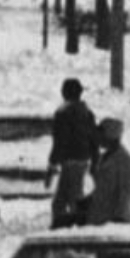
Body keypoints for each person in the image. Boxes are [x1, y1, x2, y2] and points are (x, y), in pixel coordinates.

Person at [48, 76, 99, 229]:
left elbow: (60, 141)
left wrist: (52, 164)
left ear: (65, 93)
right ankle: (61, 227)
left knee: (72, 199)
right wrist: (95, 160)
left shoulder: (63, 113)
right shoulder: (87, 113)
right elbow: (93, 139)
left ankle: (79, 229)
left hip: (70, 161)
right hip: (83, 160)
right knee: (61, 201)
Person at [85, 117, 130, 225]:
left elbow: (126, 194)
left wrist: (120, 221)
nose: (97, 138)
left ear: (109, 135)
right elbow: (103, 189)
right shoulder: (104, 158)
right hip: (97, 219)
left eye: (100, 134)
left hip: (111, 223)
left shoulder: (125, 161)